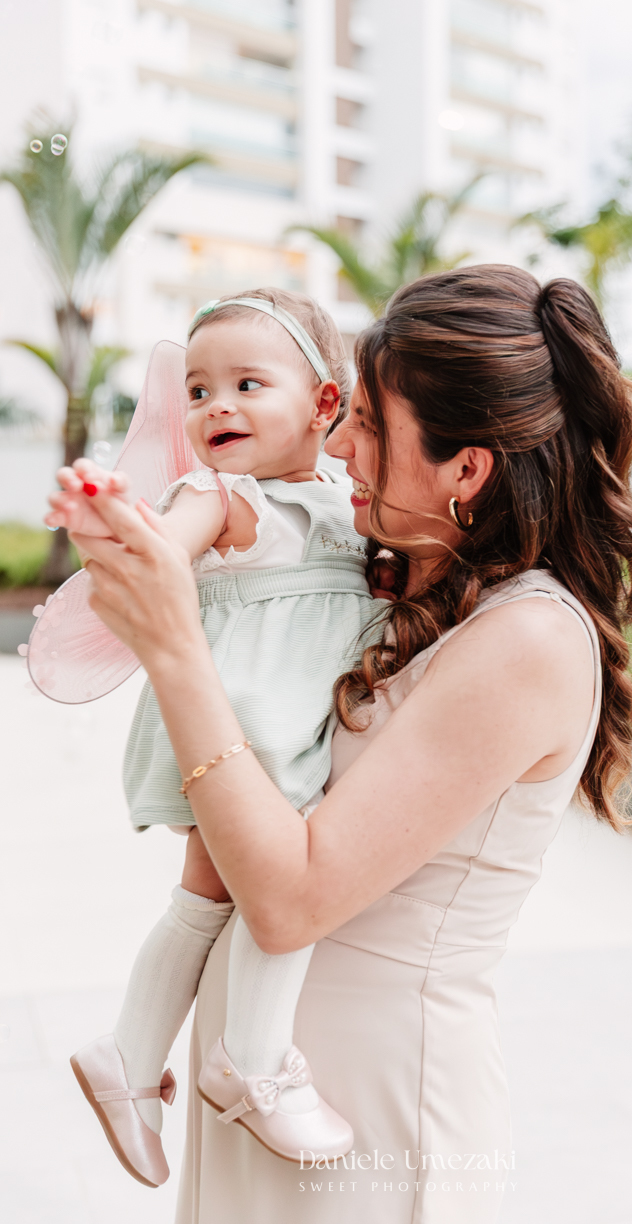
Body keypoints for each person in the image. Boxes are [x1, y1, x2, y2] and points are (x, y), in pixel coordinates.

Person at [70, 266, 632, 1223]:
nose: (338, 444)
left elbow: (294, 896)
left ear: (467, 468)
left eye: (373, 428)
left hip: (370, 1122)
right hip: (268, 1102)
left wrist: (177, 648)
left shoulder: (530, 639)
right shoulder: (399, 587)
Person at [46, 289, 388, 1186]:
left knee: (203, 899)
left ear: (323, 406)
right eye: (197, 391)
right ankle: (255, 1058)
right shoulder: (223, 493)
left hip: (278, 725)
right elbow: (161, 550)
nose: (216, 407)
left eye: (245, 383)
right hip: (249, 731)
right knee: (295, 888)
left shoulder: (347, 499)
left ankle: (129, 1052)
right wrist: (107, 522)